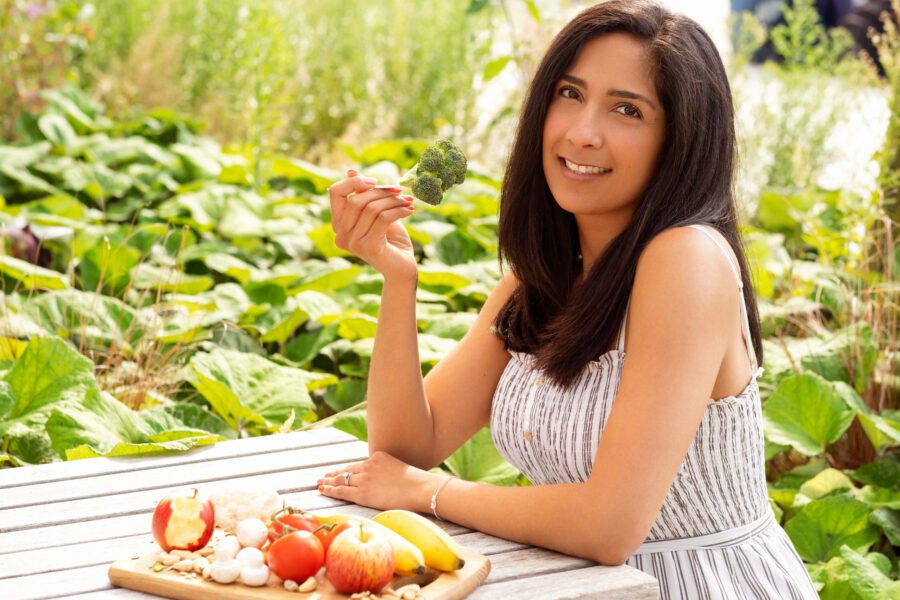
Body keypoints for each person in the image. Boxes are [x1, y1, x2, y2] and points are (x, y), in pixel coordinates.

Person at [318, 1, 819, 597]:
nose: (582, 132)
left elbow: (608, 528)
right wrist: (398, 281)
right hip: (576, 586)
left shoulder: (687, 260)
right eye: (570, 94)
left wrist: (430, 493)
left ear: (680, 140)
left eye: (627, 110)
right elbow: (405, 451)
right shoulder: (546, 277)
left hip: (691, 586)